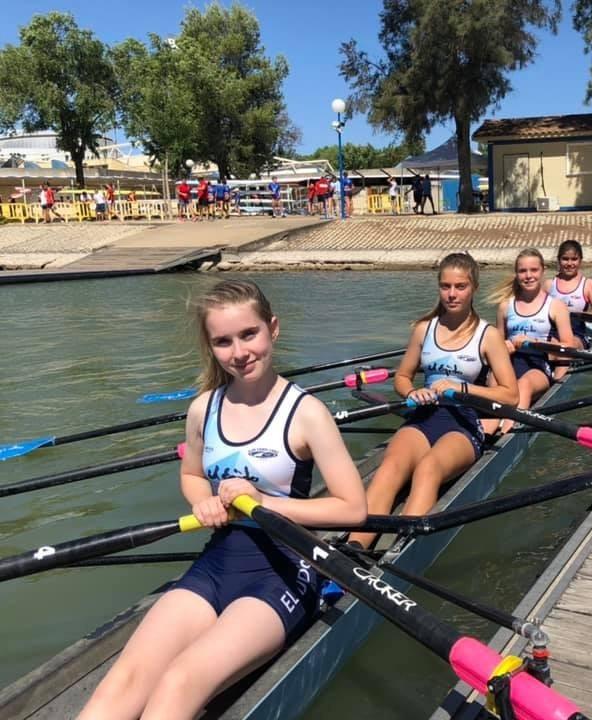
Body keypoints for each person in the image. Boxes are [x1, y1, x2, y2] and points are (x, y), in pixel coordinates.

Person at [77, 280, 366, 720]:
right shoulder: (203, 409)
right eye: (223, 341)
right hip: (216, 566)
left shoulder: (307, 412)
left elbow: (352, 508)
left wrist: (263, 503)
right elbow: (192, 475)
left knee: (180, 682)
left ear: (273, 329)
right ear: (210, 347)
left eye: (249, 334)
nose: (239, 352)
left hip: (283, 572)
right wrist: (202, 502)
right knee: (122, 684)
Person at [347, 253, 517, 550]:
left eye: (460, 286)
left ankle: (398, 551)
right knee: (390, 468)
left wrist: (461, 387)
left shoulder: (487, 336)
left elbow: (510, 395)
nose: (452, 294)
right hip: (423, 418)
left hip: (464, 424)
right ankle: (354, 548)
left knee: (428, 469)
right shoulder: (424, 329)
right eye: (445, 286)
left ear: (473, 287)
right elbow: (402, 376)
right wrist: (411, 392)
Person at [490, 249, 575, 426]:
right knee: (493, 384)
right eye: (522, 271)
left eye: (534, 270)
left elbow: (569, 346)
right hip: (509, 362)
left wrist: (537, 343)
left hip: (539, 365)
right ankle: (490, 428)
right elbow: (495, 345)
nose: (528, 276)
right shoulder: (505, 306)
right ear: (517, 274)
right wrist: (501, 346)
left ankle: (506, 433)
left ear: (543, 271)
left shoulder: (556, 306)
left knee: (523, 385)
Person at [547, 240, 592, 348]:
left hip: (577, 334)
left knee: (566, 346)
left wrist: (574, 313)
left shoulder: (589, 285)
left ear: (580, 261)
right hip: (552, 332)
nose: (570, 264)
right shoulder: (548, 285)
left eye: (574, 259)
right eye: (565, 259)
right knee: (551, 345)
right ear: (559, 260)